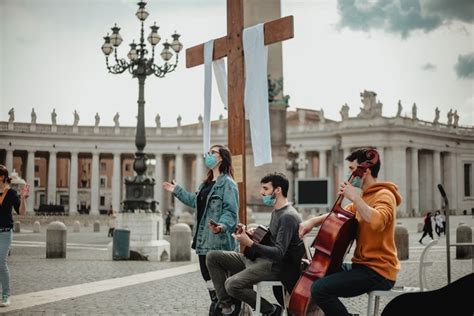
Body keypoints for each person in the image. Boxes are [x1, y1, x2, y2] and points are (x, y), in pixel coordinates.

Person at [299, 148, 401, 316]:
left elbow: (377, 222)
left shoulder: (385, 195)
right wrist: (312, 221)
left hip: (379, 271)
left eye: (353, 169)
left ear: (365, 171)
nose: (350, 175)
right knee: (316, 273)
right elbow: (340, 215)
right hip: (361, 266)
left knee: (320, 289)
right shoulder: (365, 197)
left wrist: (355, 197)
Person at [206, 172, 304, 316]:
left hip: (274, 266)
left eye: (265, 189)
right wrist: (251, 233)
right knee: (212, 257)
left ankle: (270, 310)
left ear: (277, 190)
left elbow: (279, 253)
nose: (261, 192)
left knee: (231, 285)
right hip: (259, 259)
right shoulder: (277, 211)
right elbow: (272, 236)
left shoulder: (288, 216)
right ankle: (226, 306)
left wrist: (250, 243)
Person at [162, 145, 238, 315]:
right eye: (208, 153)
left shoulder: (228, 184)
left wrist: (222, 226)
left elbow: (230, 211)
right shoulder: (206, 183)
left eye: (212, 153)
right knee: (208, 278)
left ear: (221, 158)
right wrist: (178, 191)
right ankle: (217, 304)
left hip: (218, 240)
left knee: (220, 280)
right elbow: (195, 201)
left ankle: (225, 308)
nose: (208, 156)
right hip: (203, 239)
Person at [0, 165, 29, 307]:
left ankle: (6, 295)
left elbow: (22, 212)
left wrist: (22, 198)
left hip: (5, 232)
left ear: (1, 177)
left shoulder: (11, 193)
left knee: (1, 262)